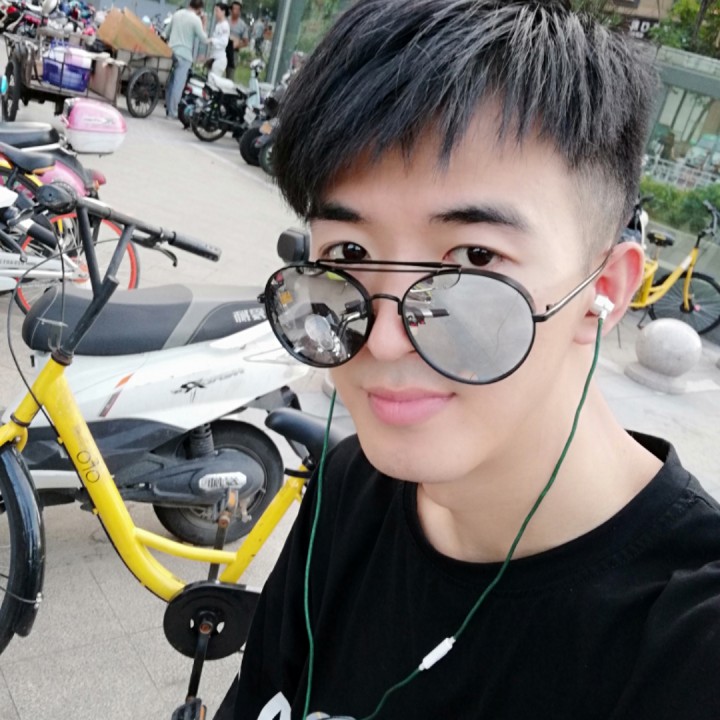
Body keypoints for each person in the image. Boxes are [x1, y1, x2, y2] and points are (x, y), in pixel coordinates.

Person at [218, 1, 720, 718]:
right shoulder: (348, 484)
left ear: (604, 289)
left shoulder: (687, 646)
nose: (384, 340)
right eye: (349, 252)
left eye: (475, 258)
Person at [164, 0, 208, 119]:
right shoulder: (196, 20)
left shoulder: (177, 14)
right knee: (178, 84)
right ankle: (172, 112)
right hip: (184, 55)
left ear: (189, 4)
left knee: (171, 82)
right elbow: (204, 39)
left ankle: (168, 108)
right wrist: (204, 23)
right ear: (200, 9)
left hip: (171, 51)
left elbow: (166, 33)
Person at [226, 0, 248, 79]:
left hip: (233, 51)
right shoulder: (226, 20)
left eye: (238, 9)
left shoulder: (242, 25)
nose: (236, 11)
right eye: (234, 9)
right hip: (223, 48)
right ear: (231, 10)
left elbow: (245, 42)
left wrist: (237, 44)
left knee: (230, 73)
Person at [207, 2, 231, 76]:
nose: (215, 13)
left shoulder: (225, 25)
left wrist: (212, 40)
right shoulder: (218, 25)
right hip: (214, 57)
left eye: (217, 11)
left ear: (223, 12)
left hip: (219, 59)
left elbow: (224, 42)